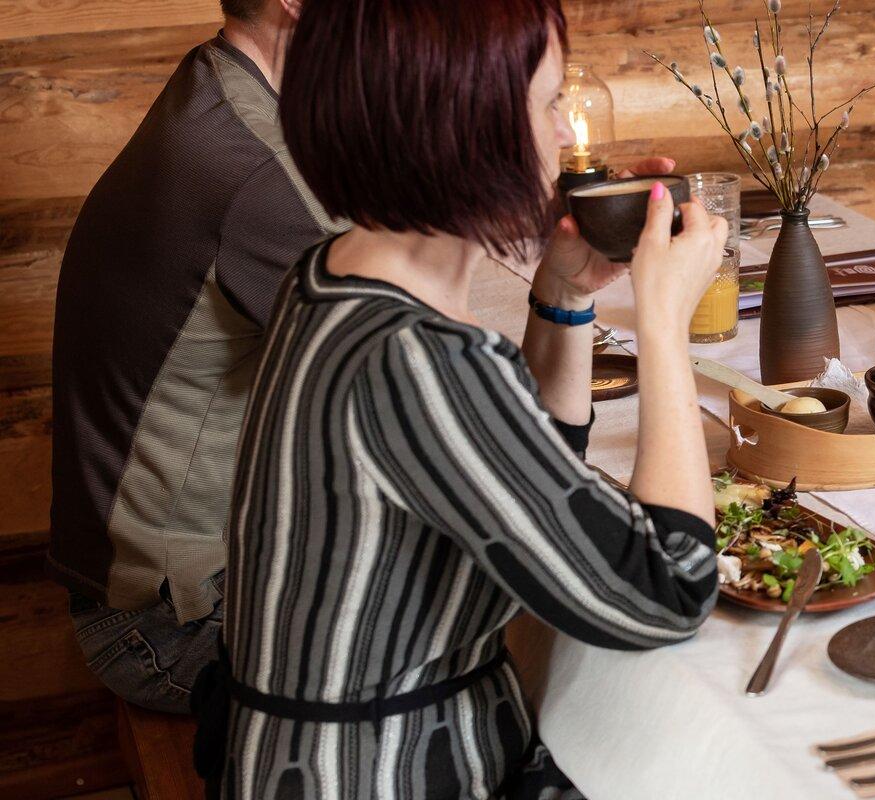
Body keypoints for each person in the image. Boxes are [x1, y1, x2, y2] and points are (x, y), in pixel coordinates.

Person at [200, 0, 727, 795]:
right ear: (467, 129)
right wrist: (662, 322)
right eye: (548, 106)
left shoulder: (332, 274)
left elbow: (533, 479)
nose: (561, 137)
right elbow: (664, 590)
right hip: (379, 775)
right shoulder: (414, 357)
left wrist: (565, 294)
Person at [47, 0, 329, 714]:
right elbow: (406, 380)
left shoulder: (217, 88)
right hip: (167, 629)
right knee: (472, 636)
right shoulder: (254, 163)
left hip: (172, 585)